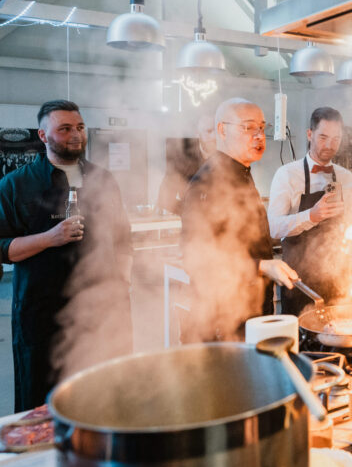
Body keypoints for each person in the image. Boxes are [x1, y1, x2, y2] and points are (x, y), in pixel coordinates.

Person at [0, 100, 133, 411]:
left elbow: (122, 238)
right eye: (65, 129)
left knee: (106, 393)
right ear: (43, 136)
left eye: (80, 127)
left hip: (103, 310)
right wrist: (49, 238)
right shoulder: (16, 185)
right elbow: (3, 248)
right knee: (45, 402)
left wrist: (124, 280)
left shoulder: (103, 179)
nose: (76, 135)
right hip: (43, 313)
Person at [181, 98, 297, 341]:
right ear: (222, 130)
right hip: (222, 323)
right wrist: (262, 266)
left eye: (262, 128)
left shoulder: (242, 173)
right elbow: (197, 260)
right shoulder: (207, 183)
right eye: (248, 127)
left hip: (252, 314)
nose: (259, 136)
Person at [268, 107, 352, 316]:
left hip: (339, 280)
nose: (329, 145)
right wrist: (311, 216)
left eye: (336, 139)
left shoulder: (346, 178)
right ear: (310, 134)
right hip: (299, 283)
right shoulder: (287, 175)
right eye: (323, 137)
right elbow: (274, 227)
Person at [157, 115, 216, 215]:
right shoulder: (183, 159)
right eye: (209, 131)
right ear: (197, 134)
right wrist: (192, 213)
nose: (214, 136)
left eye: (217, 132)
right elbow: (165, 199)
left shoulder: (226, 157)